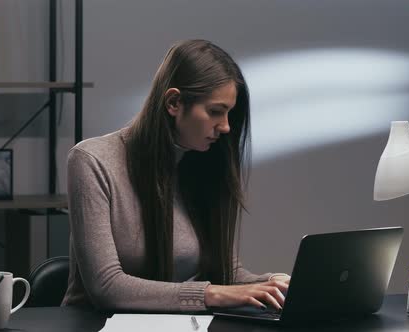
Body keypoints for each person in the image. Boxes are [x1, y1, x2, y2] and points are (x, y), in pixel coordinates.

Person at [61, 39, 290, 312]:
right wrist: (209, 294)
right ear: (174, 102)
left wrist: (271, 283)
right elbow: (107, 287)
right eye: (216, 112)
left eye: (229, 113)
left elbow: (228, 273)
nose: (227, 127)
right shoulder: (92, 160)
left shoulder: (200, 164)